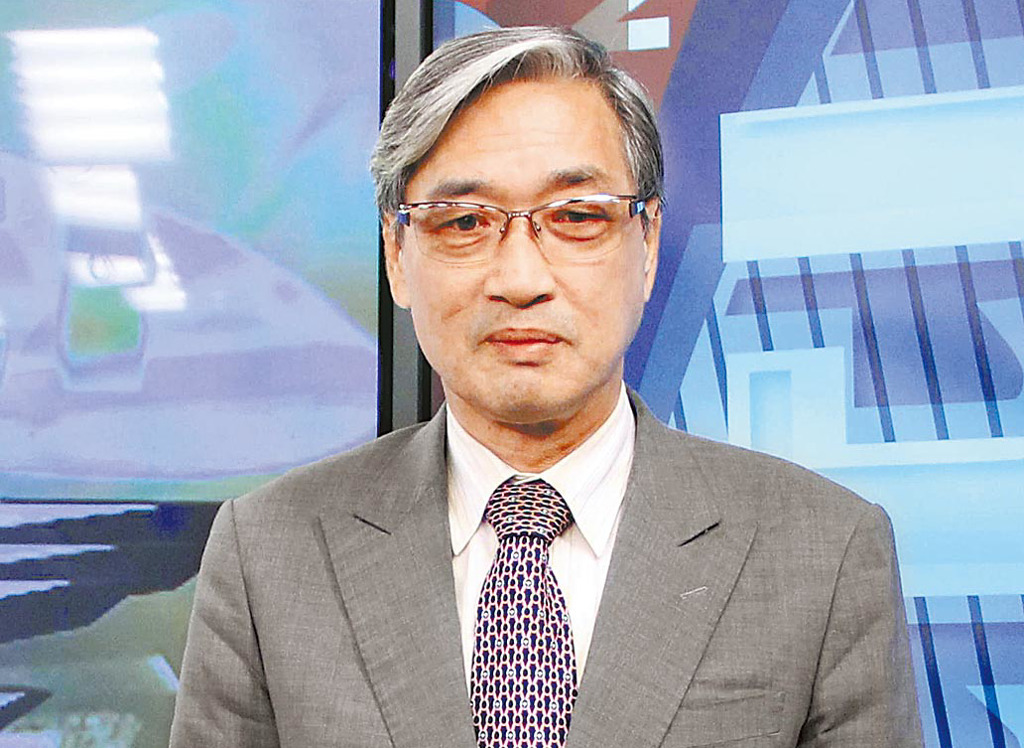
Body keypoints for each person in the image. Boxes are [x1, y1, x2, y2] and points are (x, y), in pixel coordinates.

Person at [170, 26, 923, 748]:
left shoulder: (822, 551)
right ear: (397, 254)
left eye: (576, 217)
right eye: (464, 222)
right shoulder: (269, 552)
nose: (521, 278)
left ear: (648, 243)